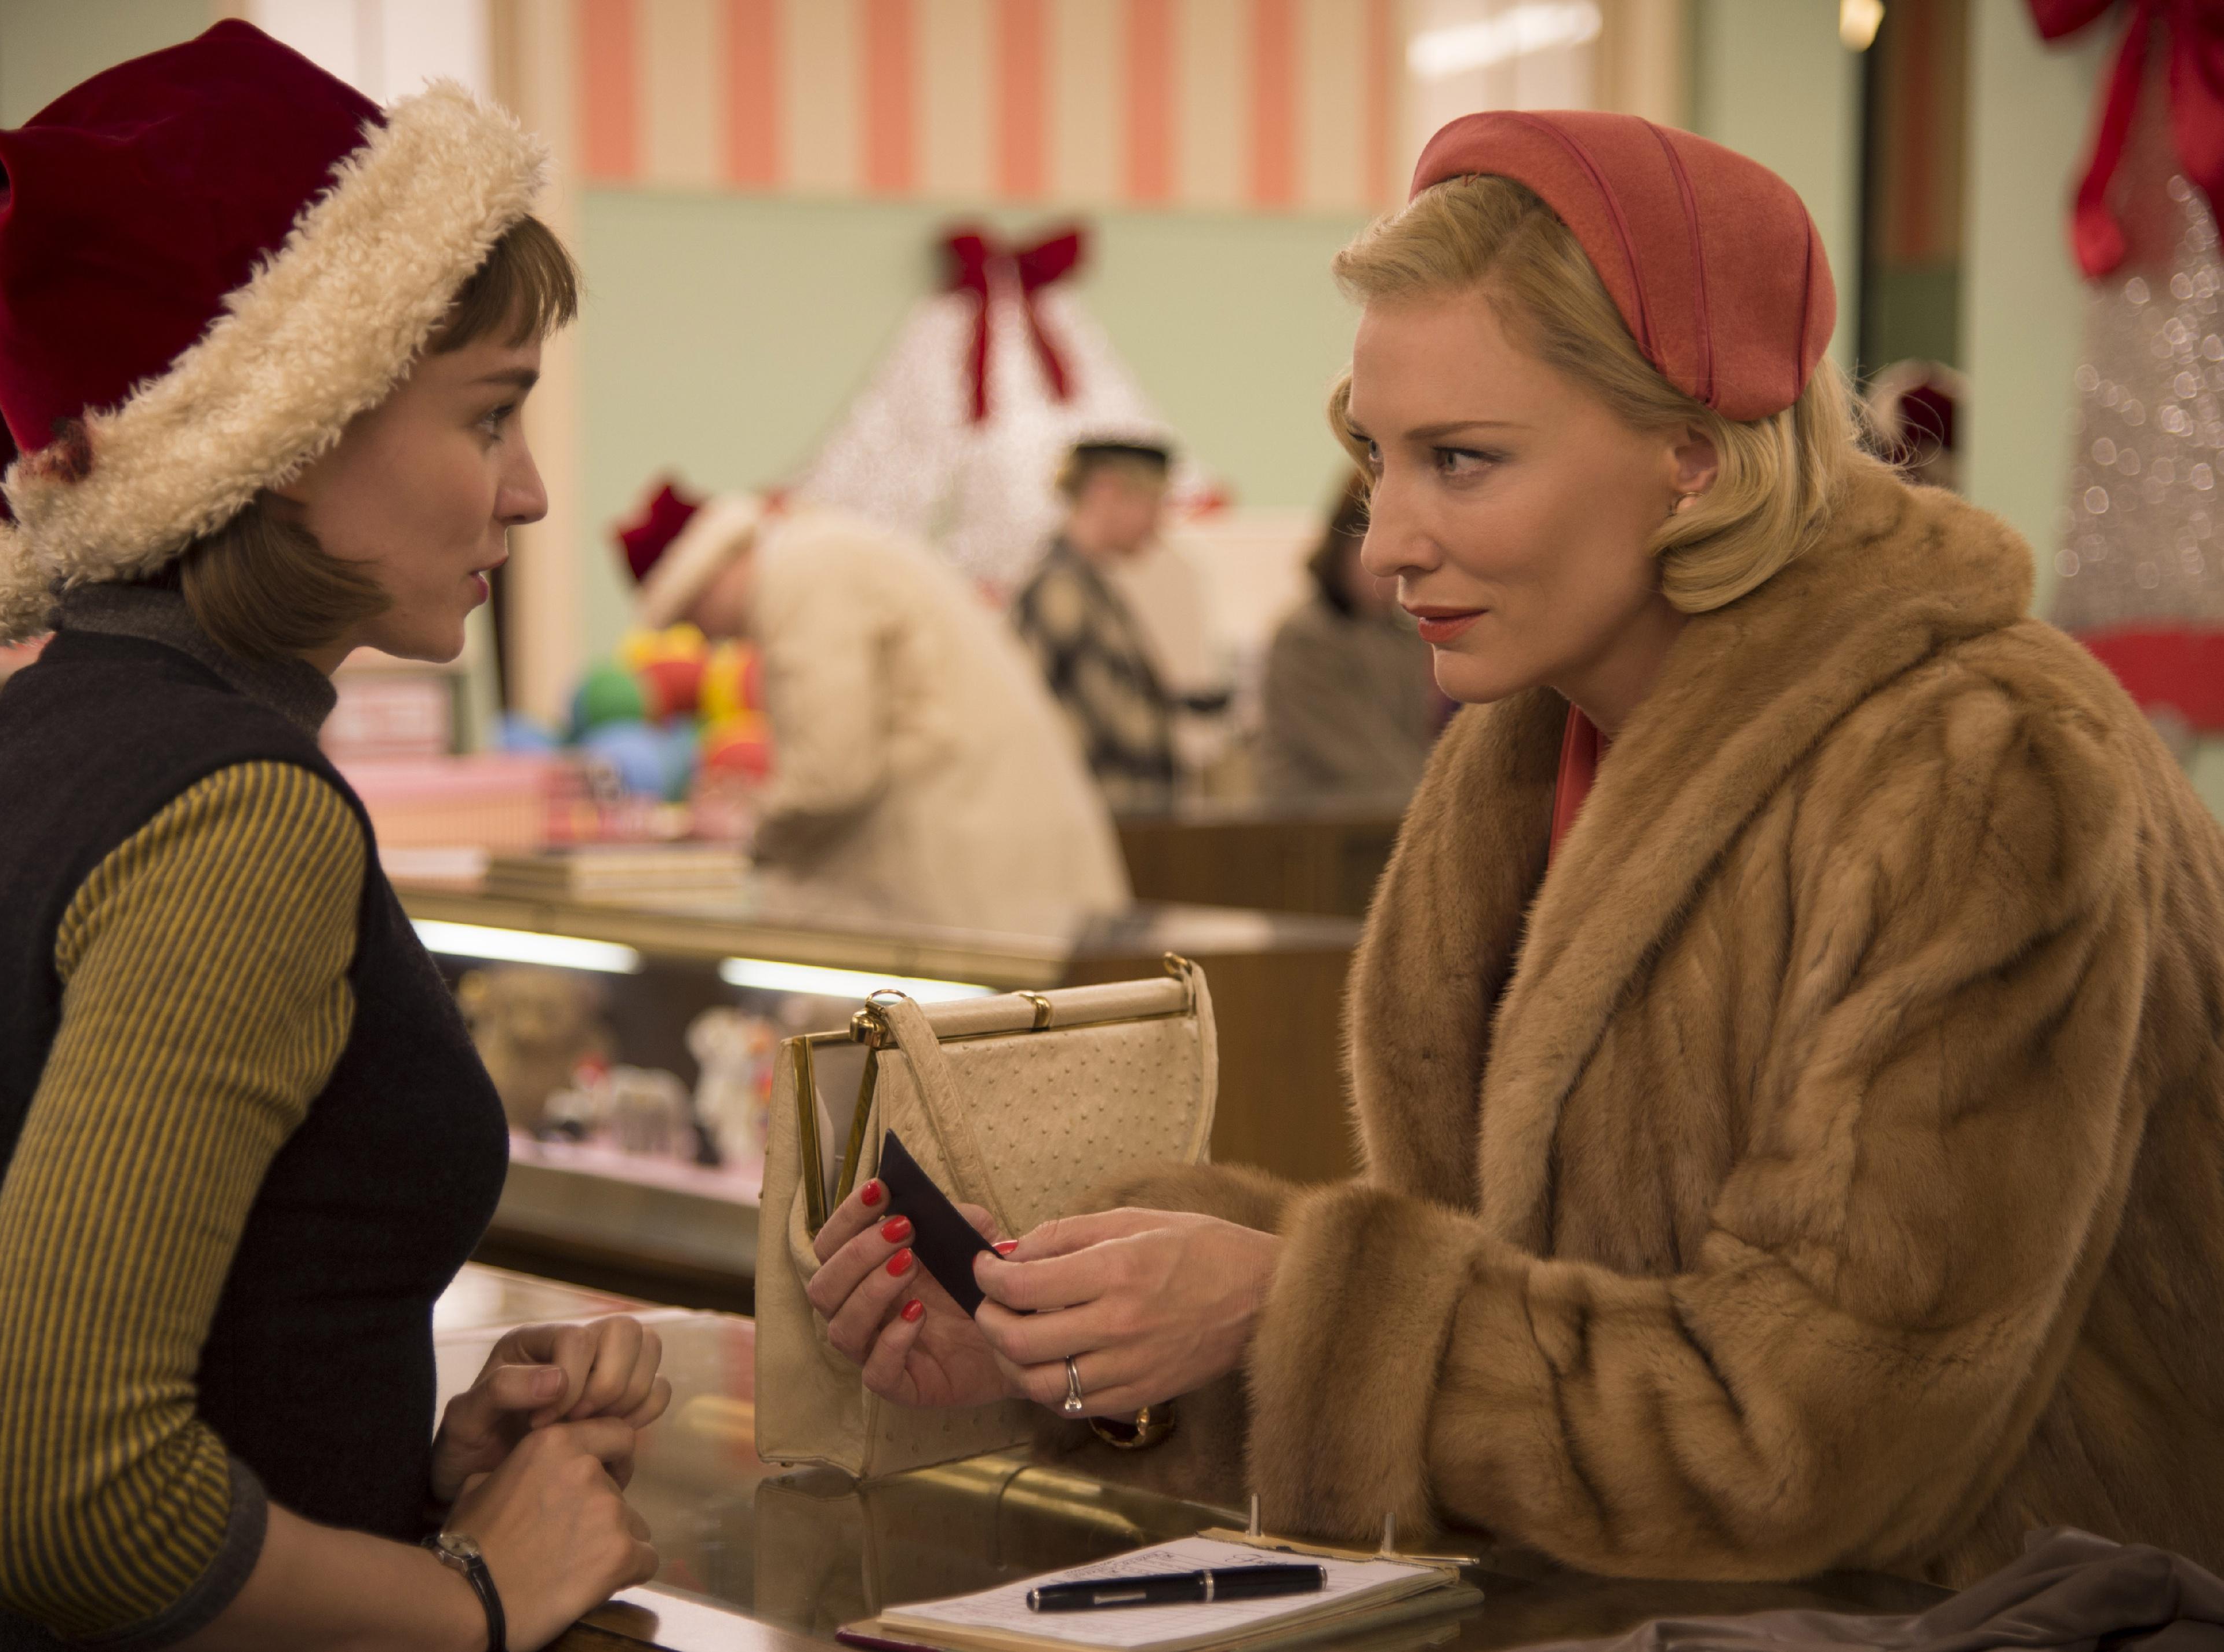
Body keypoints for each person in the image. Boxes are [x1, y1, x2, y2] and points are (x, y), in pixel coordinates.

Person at [803, 111, 2224, 1589]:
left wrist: (1289, 1301)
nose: (1383, 541)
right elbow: (1528, 1345)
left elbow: (1812, 1437)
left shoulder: (1977, 765)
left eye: (1461, 462)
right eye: (1376, 455)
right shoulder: (1543, 731)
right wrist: (1090, 1330)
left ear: (1692, 455)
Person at [0, 26, 668, 1650]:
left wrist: (422, 1464)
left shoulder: (22, 761)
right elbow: (64, 1495)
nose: (530, 493)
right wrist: (472, 1593)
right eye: (488, 417)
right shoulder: (239, 814)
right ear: (286, 434)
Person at [624, 481, 1130, 932]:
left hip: (974, 881)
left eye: (691, 617)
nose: (707, 639)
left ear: (706, 574)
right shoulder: (821, 553)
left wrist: (746, 830)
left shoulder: (799, 578)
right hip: (1004, 865)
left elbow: (833, 775)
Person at [1012, 439, 1184, 812]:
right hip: (1096, 824)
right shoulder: (1060, 591)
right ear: (1105, 490)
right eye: (1153, 501)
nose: (1159, 523)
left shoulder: (1090, 587)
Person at [1255, 472, 1444, 802]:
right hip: (1313, 832)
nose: (1389, 566)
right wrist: (1442, 803)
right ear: (1341, 546)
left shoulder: (1400, 633)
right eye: (1370, 541)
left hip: (1379, 819)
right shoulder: (1305, 638)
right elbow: (1360, 759)